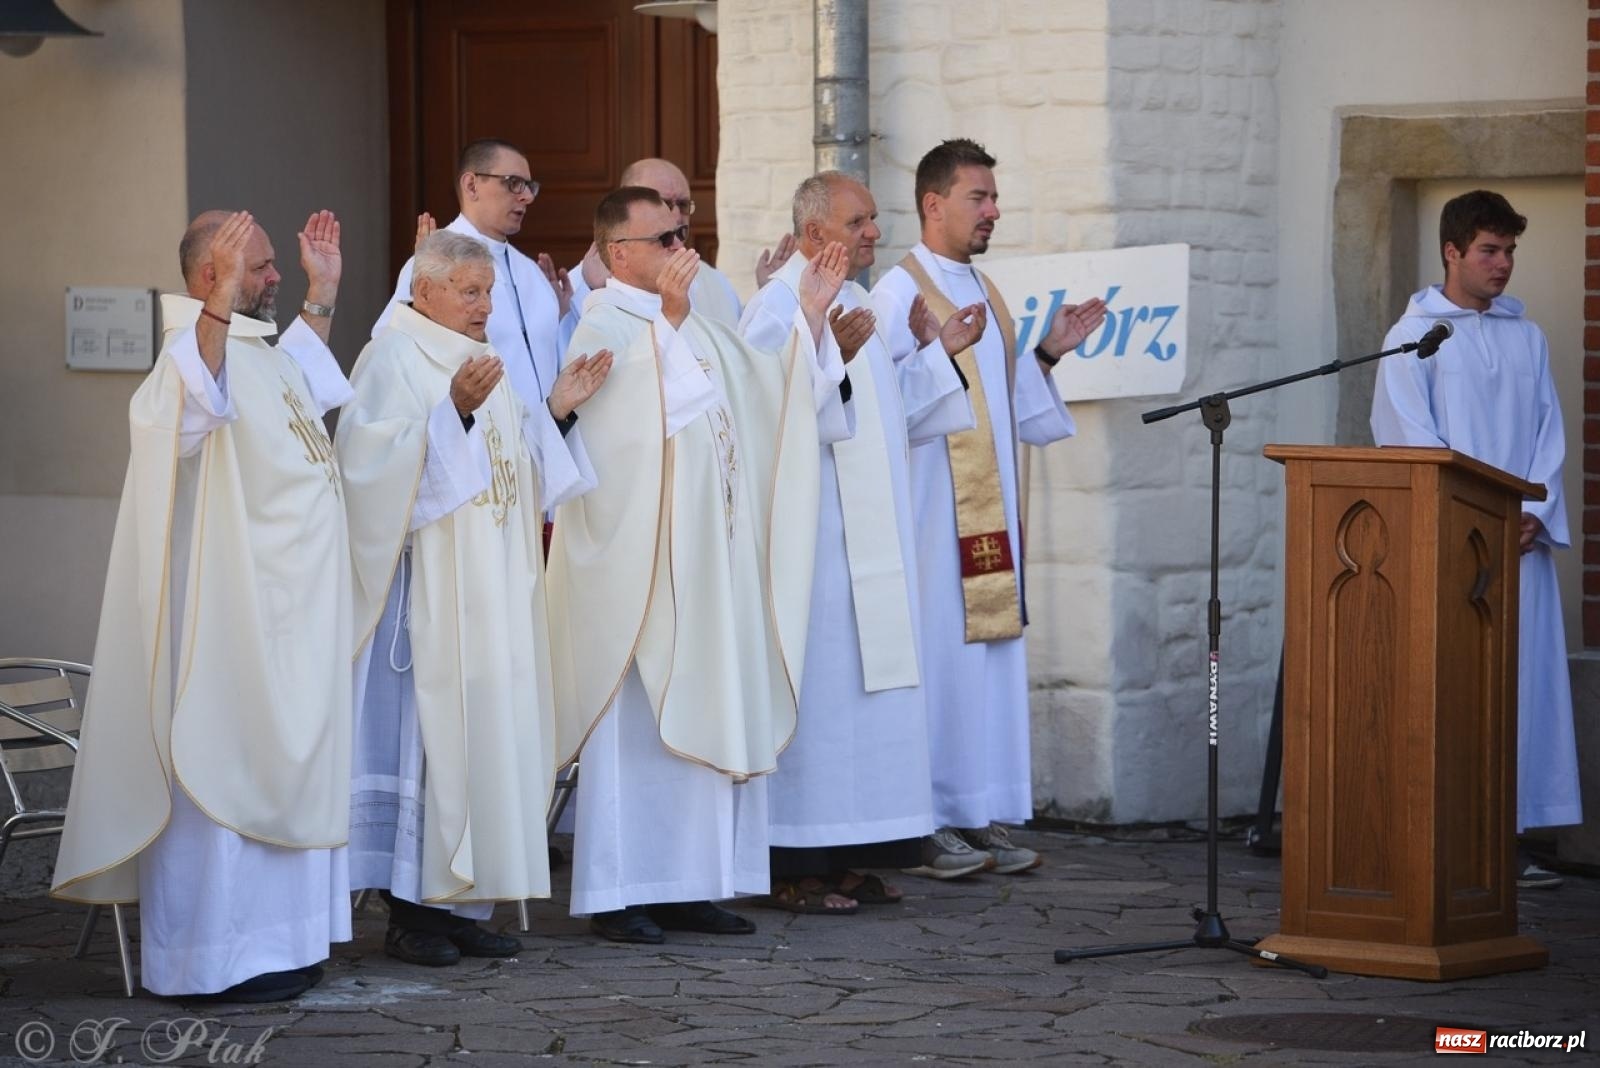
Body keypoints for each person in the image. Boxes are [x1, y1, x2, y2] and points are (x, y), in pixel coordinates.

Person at [52, 210, 355, 1002]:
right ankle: (212, 964)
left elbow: (304, 384)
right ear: (210, 279)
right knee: (223, 775)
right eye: (259, 266)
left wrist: (322, 293)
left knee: (279, 776)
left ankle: (286, 947)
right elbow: (196, 407)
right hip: (225, 625)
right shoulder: (184, 360)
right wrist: (219, 304)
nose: (274, 275)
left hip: (285, 622)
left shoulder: (258, 352)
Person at [545, 186, 849, 943]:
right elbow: (618, 442)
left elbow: (770, 394)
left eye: (683, 234)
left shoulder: (698, 324)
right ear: (619, 254)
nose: (683, 249)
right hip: (643, 571)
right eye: (666, 239)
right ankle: (619, 894)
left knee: (707, 708)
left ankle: (689, 885)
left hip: (710, 564)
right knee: (636, 735)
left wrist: (811, 315)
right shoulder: (603, 324)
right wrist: (672, 324)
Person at [338, 232, 610, 965]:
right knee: (433, 754)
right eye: (469, 292)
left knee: (486, 743)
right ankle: (412, 916)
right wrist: (450, 414)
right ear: (424, 291)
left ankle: (462, 907)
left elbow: (518, 466)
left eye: (488, 292)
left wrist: (556, 411)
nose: (485, 306)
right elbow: (367, 471)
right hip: (434, 602)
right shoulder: (393, 357)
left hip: (496, 589)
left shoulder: (479, 361)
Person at [738, 171, 983, 911]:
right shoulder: (777, 305)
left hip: (868, 548)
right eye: (859, 221)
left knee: (864, 711)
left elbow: (890, 415)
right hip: (812, 553)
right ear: (814, 233)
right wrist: (826, 354)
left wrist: (938, 355)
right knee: (819, 705)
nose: (875, 231)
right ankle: (789, 865)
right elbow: (760, 416)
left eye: (873, 219)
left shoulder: (853, 301)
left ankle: (847, 854)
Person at [872, 139, 1106, 878]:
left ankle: (973, 811)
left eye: (994, 198)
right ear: (933, 204)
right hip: (929, 518)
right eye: (979, 197)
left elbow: (999, 406)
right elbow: (882, 411)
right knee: (940, 662)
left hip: (983, 517)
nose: (993, 211)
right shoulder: (896, 295)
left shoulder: (985, 290)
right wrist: (932, 356)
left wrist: (1047, 355)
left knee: (982, 664)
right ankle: (924, 819)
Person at [1370, 189, 1581, 890]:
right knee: (1456, 691)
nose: (1503, 263)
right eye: (1489, 250)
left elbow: (1549, 432)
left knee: (1519, 689)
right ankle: (1452, 845)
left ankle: (1505, 843)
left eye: (1510, 250)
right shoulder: (1415, 336)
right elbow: (1409, 437)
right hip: (1455, 548)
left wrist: (1535, 511)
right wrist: (1469, 519)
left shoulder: (1527, 337)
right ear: (1452, 252)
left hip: (1518, 543)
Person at [375, 138, 572, 407]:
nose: (527, 196)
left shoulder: (531, 272)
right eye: (514, 183)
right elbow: (390, 351)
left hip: (542, 429)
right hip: (475, 427)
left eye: (529, 186)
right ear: (471, 185)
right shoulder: (435, 260)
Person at [569, 158, 746, 328]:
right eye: (662, 203)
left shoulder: (717, 283)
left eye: (683, 205)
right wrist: (593, 290)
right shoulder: (580, 285)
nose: (676, 216)